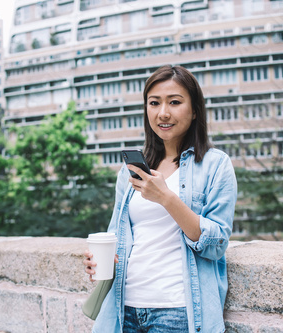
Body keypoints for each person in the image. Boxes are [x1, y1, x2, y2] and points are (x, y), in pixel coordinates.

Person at [83, 65, 237, 333]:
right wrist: (99, 260)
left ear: (194, 110)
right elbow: (116, 235)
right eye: (154, 103)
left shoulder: (216, 165)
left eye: (175, 102)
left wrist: (166, 198)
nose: (163, 112)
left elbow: (216, 243)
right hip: (123, 310)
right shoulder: (132, 170)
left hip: (177, 311)